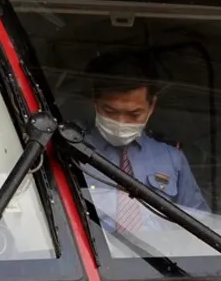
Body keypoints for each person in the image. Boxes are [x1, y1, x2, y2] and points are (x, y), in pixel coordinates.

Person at [79, 53, 209, 235]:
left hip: (157, 261)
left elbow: (199, 227)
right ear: (95, 100)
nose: (121, 121)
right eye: (109, 111)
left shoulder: (171, 159)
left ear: (152, 106)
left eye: (134, 114)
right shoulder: (72, 151)